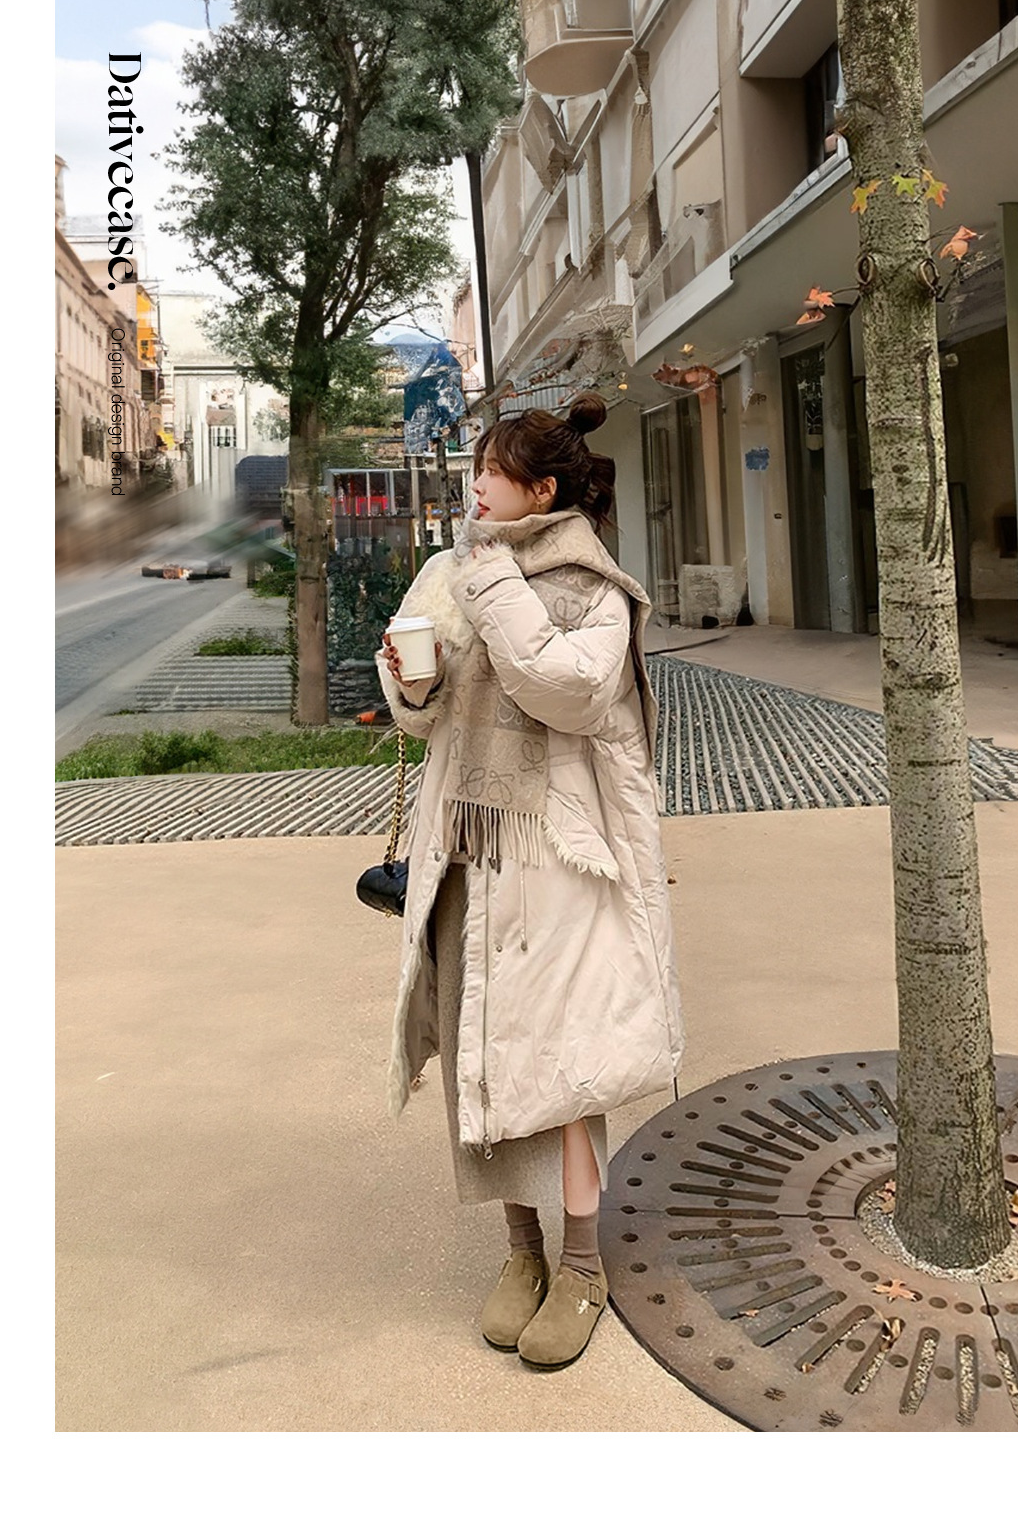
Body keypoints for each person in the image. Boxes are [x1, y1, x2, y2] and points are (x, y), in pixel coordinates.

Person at [375, 392, 684, 1370]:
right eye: (476, 470)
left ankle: (584, 1266)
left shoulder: (593, 587)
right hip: (466, 851)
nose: (476, 487)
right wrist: (410, 684)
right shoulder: (450, 569)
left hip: (558, 862)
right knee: (484, 1053)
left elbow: (571, 690)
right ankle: (522, 1251)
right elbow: (421, 715)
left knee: (564, 1061)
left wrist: (494, 584)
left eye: (493, 473)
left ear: (542, 490)